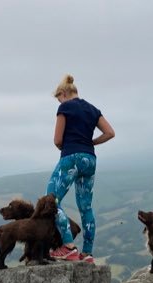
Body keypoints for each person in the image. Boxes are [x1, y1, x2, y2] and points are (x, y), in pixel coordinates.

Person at [46, 74, 115, 263]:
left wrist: (66, 149)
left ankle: (68, 246)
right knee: (86, 207)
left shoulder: (65, 107)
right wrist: (91, 143)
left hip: (71, 157)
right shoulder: (92, 109)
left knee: (51, 200)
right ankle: (87, 253)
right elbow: (110, 133)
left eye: (58, 98)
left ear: (64, 93)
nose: (58, 102)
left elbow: (58, 140)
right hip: (90, 159)